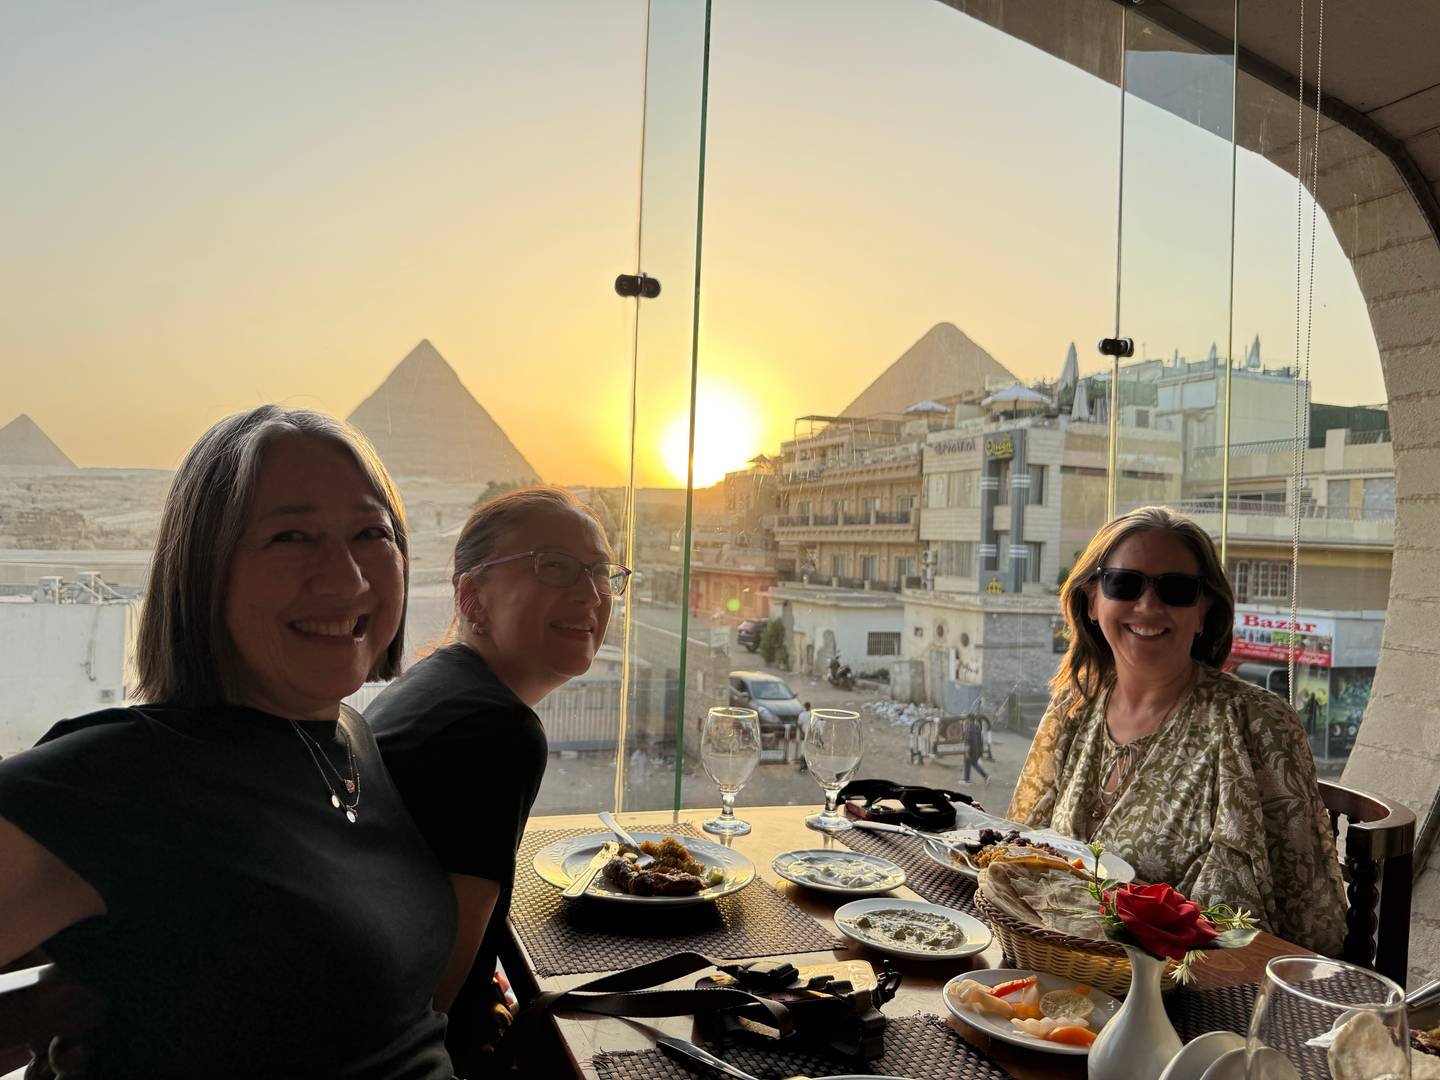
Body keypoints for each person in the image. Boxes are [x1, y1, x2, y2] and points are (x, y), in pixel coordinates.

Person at [0, 406, 457, 1078]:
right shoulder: (115, 777)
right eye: (291, 536)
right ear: (202, 573)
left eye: (371, 533)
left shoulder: (344, 737)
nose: (348, 579)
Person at [366, 486, 627, 1075]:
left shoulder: (436, 685)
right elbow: (429, 1002)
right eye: (554, 567)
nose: (590, 594)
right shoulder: (494, 731)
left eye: (600, 573)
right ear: (472, 598)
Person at [1009, 505, 1346, 955]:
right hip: (1058, 964)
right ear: (1091, 601)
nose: (1148, 606)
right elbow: (1016, 853)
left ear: (1204, 609)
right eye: (1124, 584)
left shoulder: (1257, 724)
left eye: (1176, 589)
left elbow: (1312, 920)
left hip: (1201, 985)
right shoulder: (1075, 703)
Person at [963, 715, 989, 785]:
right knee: (972, 764)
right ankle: (967, 779)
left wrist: (967, 752)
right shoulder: (976, 727)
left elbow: (968, 741)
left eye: (967, 720)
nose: (966, 721)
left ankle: (984, 776)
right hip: (976, 749)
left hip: (970, 750)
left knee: (970, 764)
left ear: (969, 720)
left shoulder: (969, 729)